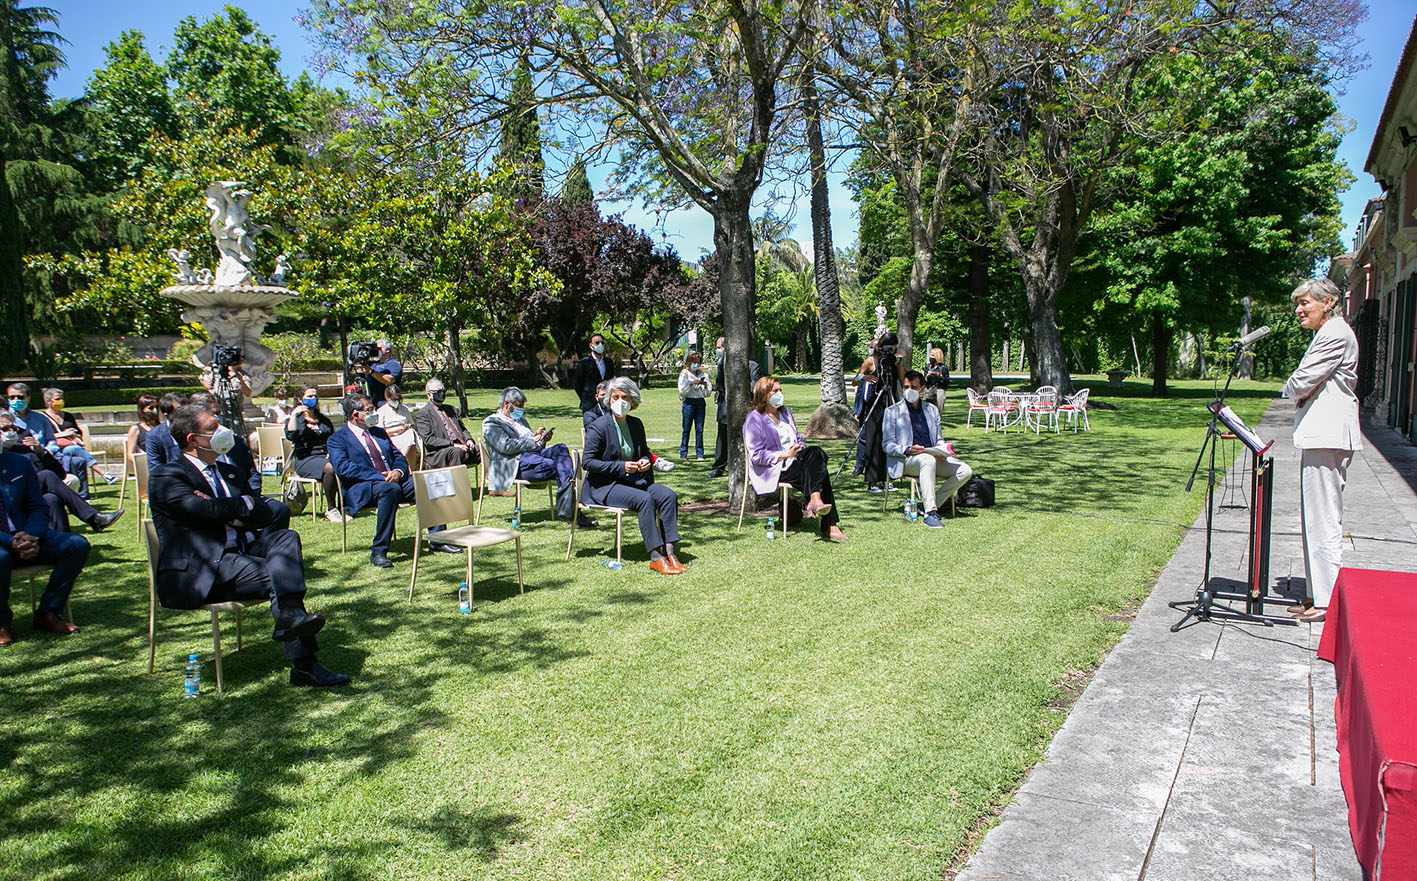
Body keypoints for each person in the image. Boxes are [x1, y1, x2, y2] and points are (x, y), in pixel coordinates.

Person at [148, 405, 349, 686]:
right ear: (193, 439)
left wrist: (228, 509)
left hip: (242, 554)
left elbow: (263, 512)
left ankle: (290, 614)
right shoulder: (167, 475)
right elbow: (201, 510)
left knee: (285, 537)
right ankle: (305, 665)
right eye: (213, 428)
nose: (222, 432)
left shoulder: (230, 472)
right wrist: (237, 507)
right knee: (277, 575)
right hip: (204, 568)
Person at [1283, 278, 1361, 623]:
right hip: (1323, 435)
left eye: (1305, 303)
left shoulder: (1333, 334)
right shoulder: (1328, 333)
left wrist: (1292, 389)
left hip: (1328, 434)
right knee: (1314, 518)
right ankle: (1318, 593)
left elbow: (1302, 380)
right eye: (1297, 304)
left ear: (1327, 302)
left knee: (1324, 518)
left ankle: (1327, 601)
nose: (1299, 310)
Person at [583, 377, 684, 574]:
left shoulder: (636, 424)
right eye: (615, 397)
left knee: (668, 496)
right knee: (645, 499)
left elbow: (644, 452)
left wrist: (646, 461)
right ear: (609, 400)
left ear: (632, 401)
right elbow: (588, 462)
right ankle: (655, 557)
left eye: (625, 397)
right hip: (605, 486)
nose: (619, 401)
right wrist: (621, 467)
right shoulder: (599, 426)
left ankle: (670, 552)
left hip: (634, 481)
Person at [0, 447, 89, 646]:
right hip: (3, 542)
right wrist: (10, 542)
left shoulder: (19, 463)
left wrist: (32, 536)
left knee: (76, 545)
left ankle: (48, 613)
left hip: (27, 535)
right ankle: (2, 622)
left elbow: (38, 506)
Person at [743, 377, 848, 541]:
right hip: (774, 468)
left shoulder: (785, 413)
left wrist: (799, 447)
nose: (780, 394)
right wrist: (785, 455)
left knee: (815, 453)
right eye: (775, 391)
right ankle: (829, 524)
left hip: (796, 461)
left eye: (780, 390)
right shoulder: (754, 419)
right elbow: (756, 455)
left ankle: (815, 499)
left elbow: (797, 439)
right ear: (764, 395)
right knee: (819, 471)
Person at [481, 387, 594, 527]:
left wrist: (542, 440)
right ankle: (574, 511)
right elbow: (506, 446)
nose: (521, 410)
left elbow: (534, 446)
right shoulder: (492, 423)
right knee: (558, 466)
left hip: (533, 456)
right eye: (518, 406)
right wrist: (533, 440)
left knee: (561, 448)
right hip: (515, 463)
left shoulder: (521, 420)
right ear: (506, 404)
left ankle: (570, 508)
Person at [328, 393, 415, 568]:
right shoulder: (337, 439)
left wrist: (397, 472)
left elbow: (398, 456)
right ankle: (379, 551)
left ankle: (437, 537)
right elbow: (343, 467)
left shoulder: (379, 433)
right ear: (355, 414)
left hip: (392, 481)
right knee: (390, 490)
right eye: (369, 410)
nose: (374, 413)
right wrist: (380, 475)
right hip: (364, 487)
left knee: (422, 481)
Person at [0, 411, 123, 534]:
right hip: (9, 496)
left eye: (13, 428)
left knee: (51, 498)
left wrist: (41, 451)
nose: (11, 432)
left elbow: (60, 474)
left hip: (31, 494)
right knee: (46, 475)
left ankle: (62, 540)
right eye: (5, 429)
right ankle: (94, 517)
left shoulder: (24, 448)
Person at [883, 370, 973, 529]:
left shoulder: (932, 410)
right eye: (905, 387)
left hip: (931, 457)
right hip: (906, 460)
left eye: (913, 387)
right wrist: (907, 449)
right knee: (927, 460)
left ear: (922, 388)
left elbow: (938, 438)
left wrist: (941, 452)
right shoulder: (892, 412)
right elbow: (887, 445)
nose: (908, 390)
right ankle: (930, 513)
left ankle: (928, 504)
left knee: (965, 470)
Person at [39, 388, 117, 498]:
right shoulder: (42, 418)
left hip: (71, 447)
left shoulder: (67, 416)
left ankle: (83, 494)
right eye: (57, 399)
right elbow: (46, 437)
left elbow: (79, 432)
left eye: (62, 399)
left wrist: (75, 435)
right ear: (48, 401)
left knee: (79, 460)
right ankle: (102, 473)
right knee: (75, 449)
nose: (60, 401)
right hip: (57, 449)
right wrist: (64, 434)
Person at [286, 386, 345, 523]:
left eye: (315, 396)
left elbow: (333, 440)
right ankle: (331, 508)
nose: (314, 399)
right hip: (305, 459)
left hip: (325, 457)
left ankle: (345, 505)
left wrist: (331, 453)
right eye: (310, 396)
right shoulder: (296, 420)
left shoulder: (324, 420)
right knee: (330, 468)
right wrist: (294, 415)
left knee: (342, 464)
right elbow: (291, 435)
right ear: (300, 399)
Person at [188, 392, 263, 496]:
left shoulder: (236, 442)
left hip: (245, 495)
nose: (216, 418)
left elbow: (252, 473)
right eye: (211, 414)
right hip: (212, 500)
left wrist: (252, 493)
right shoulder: (190, 448)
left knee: (278, 509)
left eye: (218, 413)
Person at [708, 337, 762, 479]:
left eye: (719, 347)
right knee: (722, 437)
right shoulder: (722, 364)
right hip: (726, 406)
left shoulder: (752, 366)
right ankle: (719, 467)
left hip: (747, 407)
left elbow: (754, 386)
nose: (718, 350)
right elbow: (720, 385)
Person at [861, 333, 905, 493]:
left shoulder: (894, 360)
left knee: (891, 440)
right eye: (888, 346)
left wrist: (899, 364)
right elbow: (856, 379)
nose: (890, 350)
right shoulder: (871, 360)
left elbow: (902, 379)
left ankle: (888, 478)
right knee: (874, 440)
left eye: (893, 347)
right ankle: (872, 481)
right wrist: (864, 377)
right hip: (876, 404)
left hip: (891, 403)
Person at [413, 378, 481, 469]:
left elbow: (463, 429)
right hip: (440, 452)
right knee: (456, 452)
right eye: (438, 392)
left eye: (443, 391)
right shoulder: (423, 414)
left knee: (485, 449)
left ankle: (493, 480)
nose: (441, 394)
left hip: (462, 447)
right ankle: (457, 483)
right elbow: (428, 439)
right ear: (429, 394)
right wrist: (452, 444)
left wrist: (469, 440)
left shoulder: (451, 409)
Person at [375, 385, 419, 468]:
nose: (396, 401)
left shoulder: (404, 409)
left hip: (406, 436)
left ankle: (411, 469)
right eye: (393, 399)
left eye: (397, 399)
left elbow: (412, 424)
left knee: (411, 435)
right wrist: (396, 431)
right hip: (391, 437)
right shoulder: (381, 411)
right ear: (387, 398)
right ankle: (402, 461)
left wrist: (406, 428)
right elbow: (379, 432)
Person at [677, 351, 711, 459]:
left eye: (698, 362)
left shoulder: (703, 374)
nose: (696, 364)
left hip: (700, 403)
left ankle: (699, 453)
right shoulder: (684, 373)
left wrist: (704, 385)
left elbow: (707, 392)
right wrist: (691, 383)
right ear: (689, 362)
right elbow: (682, 391)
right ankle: (683, 453)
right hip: (688, 403)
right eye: (694, 362)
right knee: (686, 429)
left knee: (699, 429)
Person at [572, 333, 616, 413]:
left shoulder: (609, 362)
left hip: (607, 404)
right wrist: (586, 397)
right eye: (597, 342)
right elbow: (577, 384)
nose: (600, 345)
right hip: (589, 404)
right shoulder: (583, 363)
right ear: (591, 345)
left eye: (602, 343)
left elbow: (611, 381)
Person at [144, 392, 189, 467]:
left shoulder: (195, 428)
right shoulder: (154, 436)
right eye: (180, 410)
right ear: (167, 415)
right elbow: (154, 466)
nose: (186, 414)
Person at [852, 356, 878, 477]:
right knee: (862, 438)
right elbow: (855, 383)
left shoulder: (879, 373)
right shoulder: (863, 374)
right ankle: (859, 466)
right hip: (864, 409)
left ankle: (872, 465)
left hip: (877, 408)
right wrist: (856, 411)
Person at [7, 382, 54, 448]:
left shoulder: (41, 418)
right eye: (12, 397)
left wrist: (46, 452)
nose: (16, 400)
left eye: (20, 397)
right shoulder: (4, 420)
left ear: (28, 398)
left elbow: (51, 440)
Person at [126, 394, 160, 461]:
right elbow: (130, 455)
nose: (155, 410)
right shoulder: (136, 429)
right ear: (142, 409)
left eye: (156, 407)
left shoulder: (162, 427)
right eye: (151, 408)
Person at [924, 347, 950, 414]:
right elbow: (924, 380)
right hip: (929, 390)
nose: (931, 357)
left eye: (933, 355)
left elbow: (946, 381)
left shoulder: (943, 368)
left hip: (939, 390)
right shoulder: (928, 367)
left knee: (938, 412)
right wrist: (928, 375)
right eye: (930, 355)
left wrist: (939, 375)